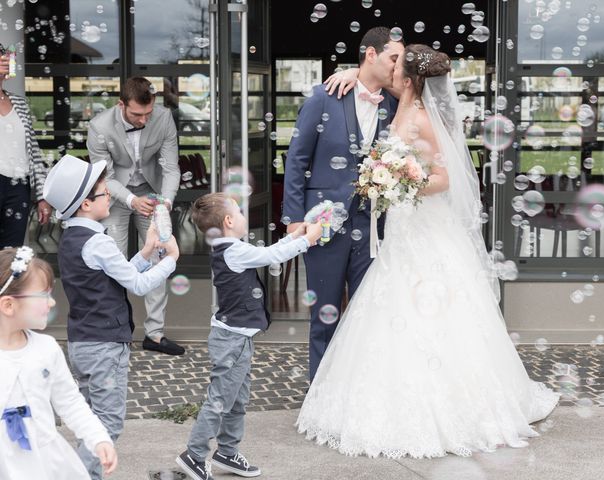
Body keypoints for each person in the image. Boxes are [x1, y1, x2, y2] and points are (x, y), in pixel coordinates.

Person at [296, 44, 559, 458]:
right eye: (391, 60)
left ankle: (447, 406)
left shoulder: (421, 116)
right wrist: (351, 71)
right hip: (396, 230)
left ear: (412, 78)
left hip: (419, 226)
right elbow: (364, 85)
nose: (392, 68)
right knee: (384, 312)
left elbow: (444, 177)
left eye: (399, 64)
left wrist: (400, 184)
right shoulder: (393, 103)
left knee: (429, 314)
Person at [43, 154, 179, 479]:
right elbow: (138, 284)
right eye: (105, 193)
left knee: (90, 420)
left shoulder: (74, 239)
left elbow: (119, 276)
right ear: (86, 204)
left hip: (82, 344)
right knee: (107, 424)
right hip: (105, 347)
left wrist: (146, 254)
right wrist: (171, 260)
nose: (110, 198)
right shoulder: (97, 242)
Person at [282, 27, 405, 382]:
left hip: (374, 229)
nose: (398, 66)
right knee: (325, 311)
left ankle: (359, 393)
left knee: (370, 314)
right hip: (324, 223)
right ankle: (319, 394)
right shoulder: (324, 97)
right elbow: (296, 158)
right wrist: (293, 218)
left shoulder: (396, 106)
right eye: (393, 58)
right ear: (370, 54)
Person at [176, 193, 323, 480]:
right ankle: (194, 455)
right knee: (220, 399)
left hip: (237, 339)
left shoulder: (230, 247)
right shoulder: (232, 250)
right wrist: (306, 241)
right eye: (240, 213)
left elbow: (268, 251)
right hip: (231, 341)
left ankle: (227, 452)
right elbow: (269, 256)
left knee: (237, 399)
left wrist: (295, 236)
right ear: (229, 221)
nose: (245, 216)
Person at [0, 246, 117, 479]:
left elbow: (70, 401)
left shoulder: (47, 349)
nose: (52, 303)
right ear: (9, 305)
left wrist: (98, 438)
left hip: (45, 462)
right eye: (44, 295)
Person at [87, 76, 184, 356]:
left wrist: (164, 203)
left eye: (148, 113)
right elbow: (104, 176)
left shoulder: (164, 118)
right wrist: (130, 200)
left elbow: (171, 167)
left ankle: (155, 334)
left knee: (157, 257)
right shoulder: (99, 126)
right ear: (121, 105)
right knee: (112, 260)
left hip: (153, 194)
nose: (143, 119)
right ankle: (112, 329)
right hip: (114, 196)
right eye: (136, 114)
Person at [0, 43, 52, 248]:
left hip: (19, 185)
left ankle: (8, 282)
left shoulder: (19, 103)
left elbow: (33, 152)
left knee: (12, 251)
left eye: (4, 57)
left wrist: (42, 196)